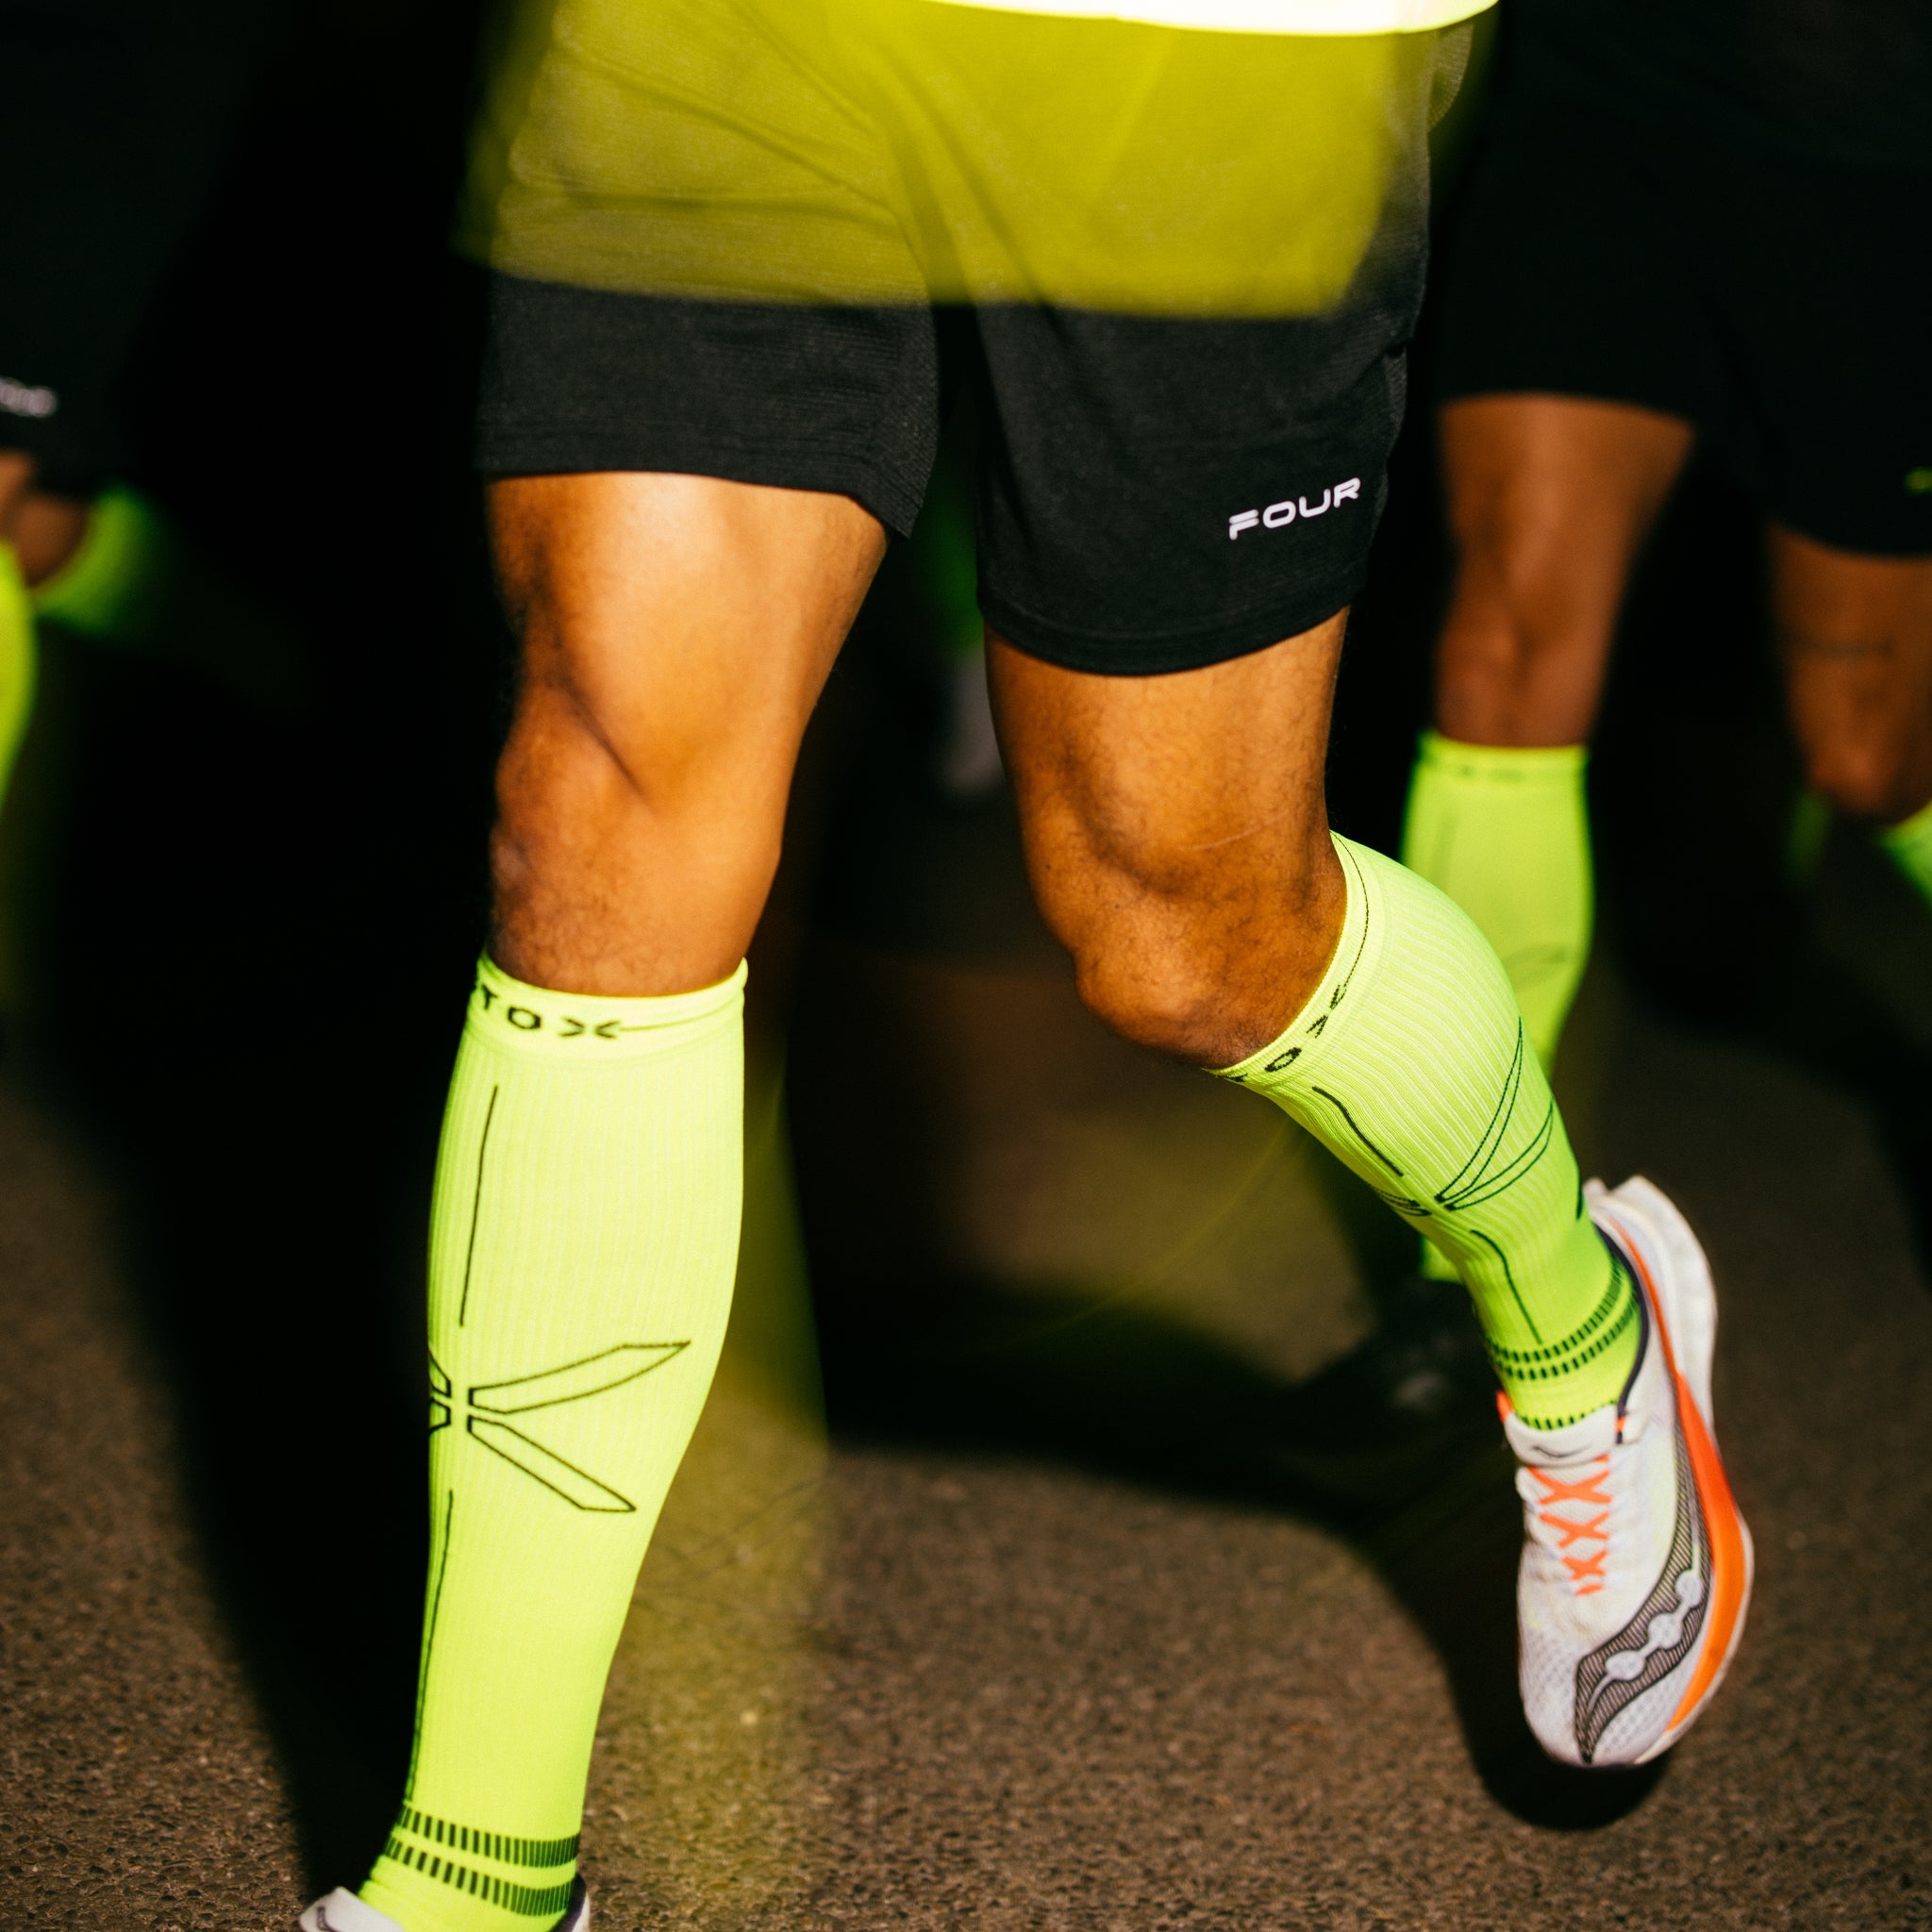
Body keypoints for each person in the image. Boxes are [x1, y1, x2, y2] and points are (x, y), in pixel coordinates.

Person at [298, 0, 1753, 1924]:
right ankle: (475, 1872)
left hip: (1196, 46)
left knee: (1183, 923)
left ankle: (1578, 1320)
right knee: (600, 798)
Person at [1399, 0, 1932, 1088]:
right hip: (1598, 105)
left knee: (1864, 757)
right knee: (1495, 663)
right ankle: (1488, 1184)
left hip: (1869, 148)